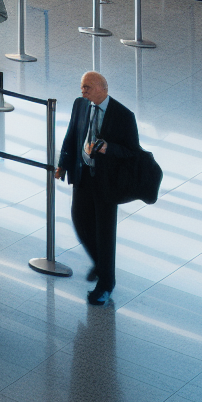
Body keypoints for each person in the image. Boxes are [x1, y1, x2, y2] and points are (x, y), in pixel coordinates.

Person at [57, 71, 140, 304]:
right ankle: (99, 263)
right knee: (79, 220)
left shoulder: (123, 116)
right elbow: (71, 135)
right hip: (83, 176)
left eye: (88, 87)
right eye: (82, 87)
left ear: (103, 88)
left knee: (105, 233)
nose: (83, 91)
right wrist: (63, 164)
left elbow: (132, 152)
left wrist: (107, 149)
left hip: (106, 184)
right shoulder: (80, 105)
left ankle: (106, 283)